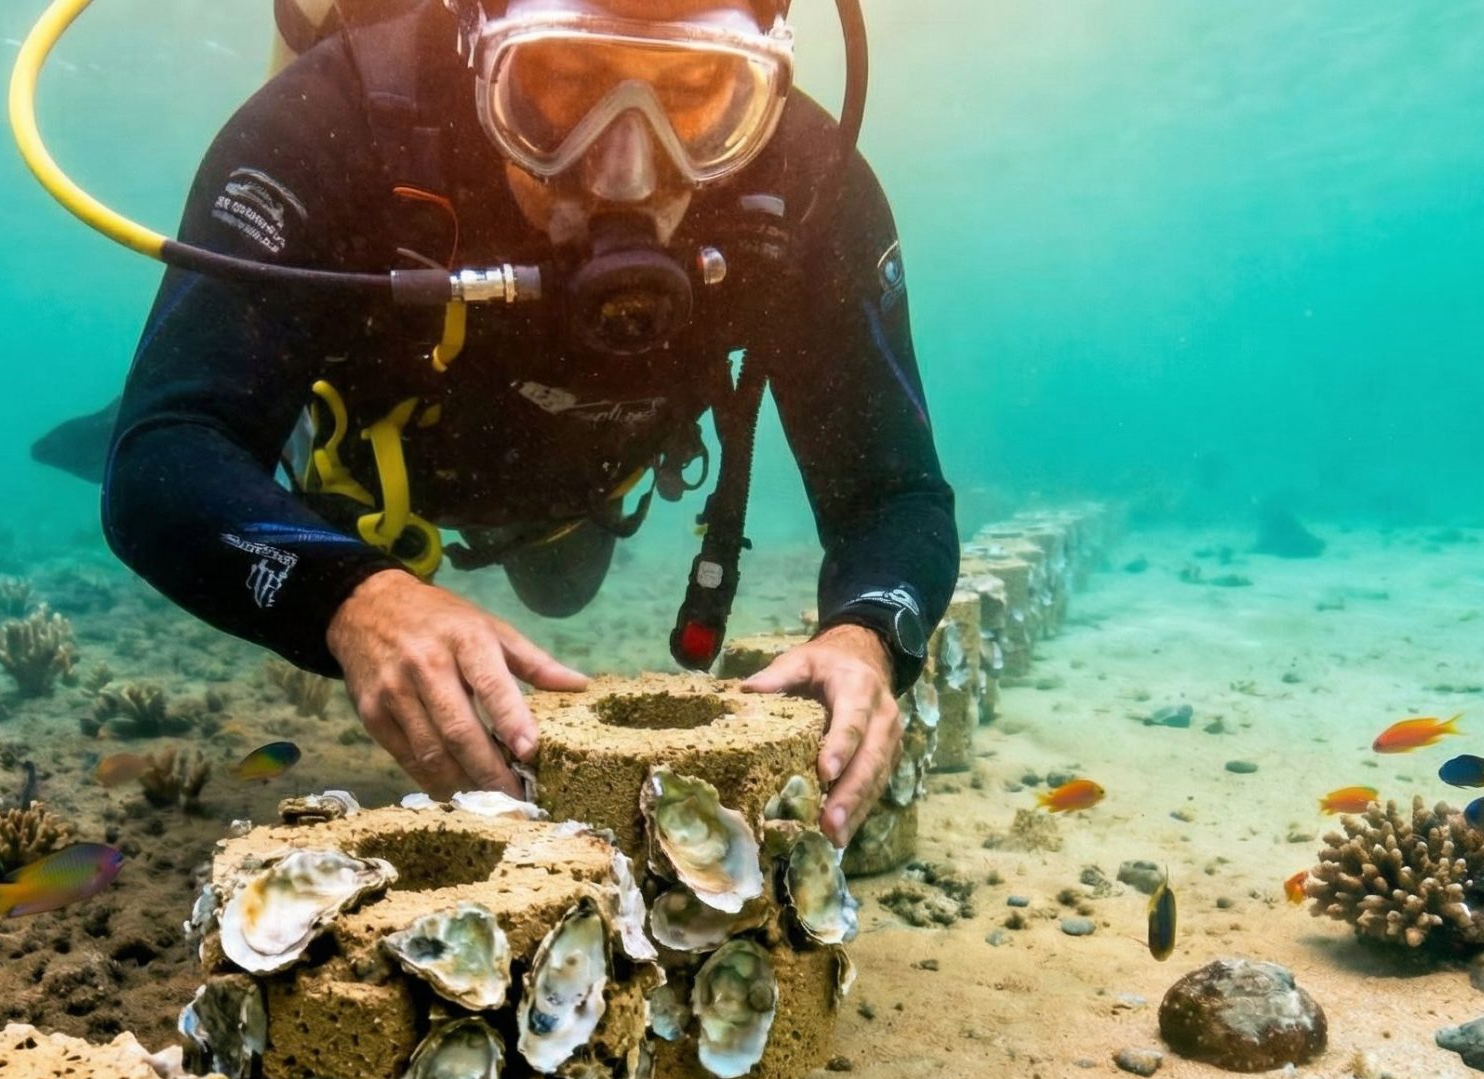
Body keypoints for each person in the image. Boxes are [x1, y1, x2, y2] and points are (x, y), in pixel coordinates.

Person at [100, 0, 955, 843]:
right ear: (477, 49)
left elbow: (896, 493)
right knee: (258, 471)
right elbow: (160, 457)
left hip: (583, 488)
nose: (625, 174)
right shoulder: (335, 119)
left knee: (564, 585)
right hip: (373, 473)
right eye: (561, 83)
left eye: (696, 96)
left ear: (758, 92)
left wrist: (869, 634)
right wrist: (351, 597)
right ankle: (299, 451)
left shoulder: (807, 178)